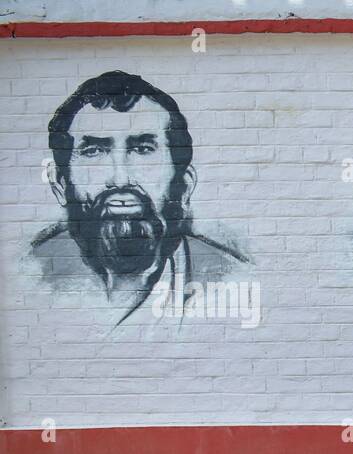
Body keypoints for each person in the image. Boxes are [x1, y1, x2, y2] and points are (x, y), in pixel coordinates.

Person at [29, 71, 249, 326]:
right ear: (60, 184)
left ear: (185, 184)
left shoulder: (229, 277)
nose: (121, 178)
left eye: (143, 149)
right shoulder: (31, 274)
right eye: (93, 151)